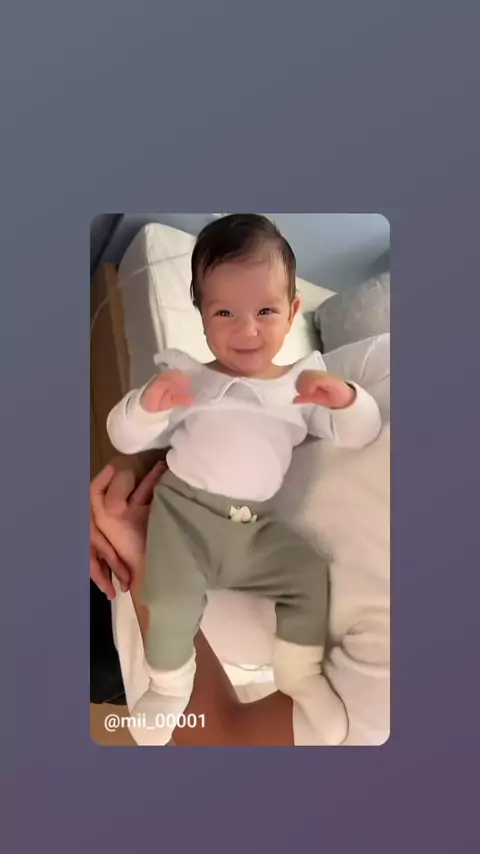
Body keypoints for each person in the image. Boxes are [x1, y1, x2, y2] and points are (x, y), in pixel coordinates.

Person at [93, 214, 382, 745]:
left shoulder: (302, 386)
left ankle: (300, 674)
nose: (246, 330)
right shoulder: (190, 379)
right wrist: (146, 406)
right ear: (201, 315)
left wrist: (347, 400)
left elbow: (361, 431)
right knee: (169, 597)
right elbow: (126, 437)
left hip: (252, 528)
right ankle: (169, 685)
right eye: (224, 312)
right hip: (183, 514)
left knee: (305, 575)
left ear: (293, 311)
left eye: (265, 311)